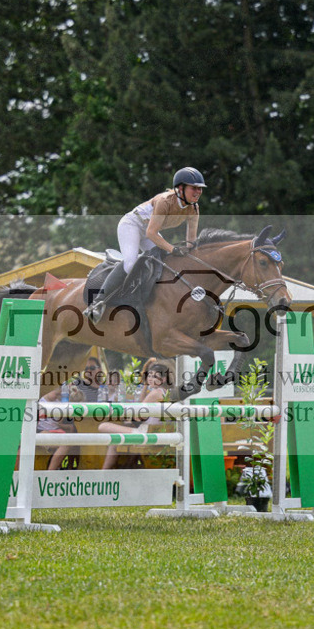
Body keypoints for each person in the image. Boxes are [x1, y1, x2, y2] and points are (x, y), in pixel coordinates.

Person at [86, 167, 206, 323]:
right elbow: (151, 233)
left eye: (200, 188)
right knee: (131, 264)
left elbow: (191, 241)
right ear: (181, 188)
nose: (198, 191)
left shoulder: (193, 209)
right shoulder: (165, 201)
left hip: (149, 230)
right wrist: (173, 249)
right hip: (132, 225)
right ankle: (97, 303)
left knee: (166, 264)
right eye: (194, 188)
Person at [98, 359, 172, 469]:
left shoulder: (155, 393)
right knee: (115, 439)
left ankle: (104, 474)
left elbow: (138, 415)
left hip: (146, 434)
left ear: (163, 379)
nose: (150, 379)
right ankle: (111, 471)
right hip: (155, 432)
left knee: (103, 426)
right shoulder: (165, 392)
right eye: (149, 375)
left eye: (154, 376)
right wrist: (146, 387)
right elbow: (141, 409)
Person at [38, 382, 83, 470]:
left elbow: (58, 423)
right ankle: (49, 473)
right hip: (41, 431)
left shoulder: (62, 402)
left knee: (70, 438)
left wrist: (73, 394)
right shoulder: (44, 398)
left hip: (55, 431)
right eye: (59, 389)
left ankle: (60, 469)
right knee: (66, 441)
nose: (60, 393)